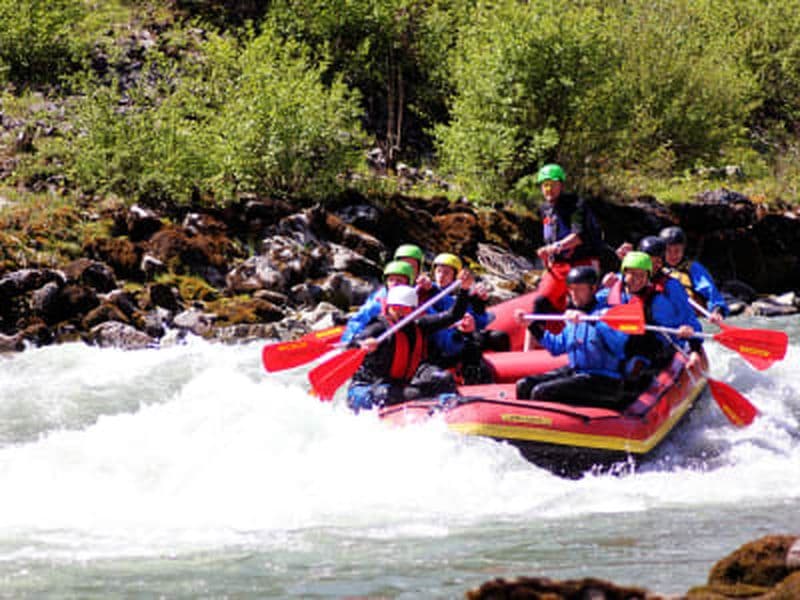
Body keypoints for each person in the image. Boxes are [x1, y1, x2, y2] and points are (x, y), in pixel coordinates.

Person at [345, 271, 474, 412]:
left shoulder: (419, 325)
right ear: (388, 307)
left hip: (401, 383)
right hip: (367, 388)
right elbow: (353, 344)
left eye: (405, 308)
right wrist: (362, 344)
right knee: (394, 394)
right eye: (396, 308)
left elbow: (453, 315)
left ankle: (452, 410)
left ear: (413, 310)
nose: (400, 312)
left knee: (444, 377)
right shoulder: (378, 328)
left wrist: (464, 289)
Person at [513, 266, 629, 409]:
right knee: (523, 385)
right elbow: (556, 347)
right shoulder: (574, 315)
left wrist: (590, 320)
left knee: (542, 392)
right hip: (578, 373)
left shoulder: (608, 313)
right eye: (571, 289)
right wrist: (531, 325)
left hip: (605, 381)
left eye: (579, 289)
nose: (573, 294)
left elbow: (619, 345)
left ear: (592, 289)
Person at [596, 251, 701, 378]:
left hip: (648, 351)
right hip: (616, 348)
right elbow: (589, 309)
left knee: (635, 367)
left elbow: (674, 325)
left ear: (648, 277)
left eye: (642, 275)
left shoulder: (657, 301)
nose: (637, 280)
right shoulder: (608, 294)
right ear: (624, 274)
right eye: (632, 274)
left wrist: (685, 334)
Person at [532, 163, 605, 321]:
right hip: (559, 265)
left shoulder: (576, 205)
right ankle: (535, 344)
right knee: (540, 303)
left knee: (579, 305)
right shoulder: (545, 209)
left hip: (583, 263)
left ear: (561, 185)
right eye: (545, 185)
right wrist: (547, 255)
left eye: (552, 185)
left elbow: (578, 236)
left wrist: (554, 247)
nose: (548, 189)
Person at [426, 253, 508, 383]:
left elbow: (481, 321)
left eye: (446, 273)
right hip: (444, 337)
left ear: (454, 276)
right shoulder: (430, 291)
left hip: (465, 331)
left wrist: (479, 303)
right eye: (438, 271)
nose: (441, 276)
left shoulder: (462, 294)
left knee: (499, 337)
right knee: (471, 345)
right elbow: (449, 311)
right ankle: (474, 378)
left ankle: (503, 373)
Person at [659, 226, 728, 324]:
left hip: (693, 321)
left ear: (683, 249)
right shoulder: (655, 268)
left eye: (677, 250)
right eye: (668, 251)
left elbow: (710, 291)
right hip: (666, 319)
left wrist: (717, 311)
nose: (673, 255)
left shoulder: (692, 268)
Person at [340, 260, 415, 345]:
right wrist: (349, 341)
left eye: (399, 280)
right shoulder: (378, 300)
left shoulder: (413, 297)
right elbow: (358, 320)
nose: (394, 284)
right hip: (378, 339)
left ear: (408, 283)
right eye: (391, 280)